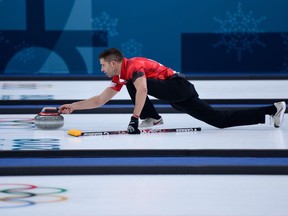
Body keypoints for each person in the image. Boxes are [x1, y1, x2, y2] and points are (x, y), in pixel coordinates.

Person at [59, 48, 286, 134]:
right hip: (178, 95)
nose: (101, 69)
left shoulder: (133, 67)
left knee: (135, 84)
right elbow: (100, 99)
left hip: (179, 87)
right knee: (219, 120)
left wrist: (134, 118)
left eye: (102, 65)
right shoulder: (123, 74)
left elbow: (143, 89)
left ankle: (153, 118)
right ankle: (271, 110)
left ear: (113, 62)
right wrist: (74, 107)